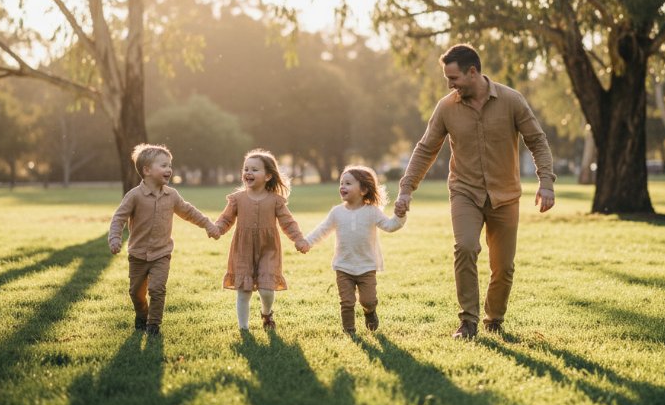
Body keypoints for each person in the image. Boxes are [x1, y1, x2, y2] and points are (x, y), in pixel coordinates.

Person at [394, 44, 556, 339]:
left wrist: (546, 182)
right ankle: (468, 321)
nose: (449, 84)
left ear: (472, 72)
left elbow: (537, 140)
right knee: (465, 247)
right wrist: (406, 188)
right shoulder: (446, 107)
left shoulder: (512, 101)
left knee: (503, 267)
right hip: (464, 191)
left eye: (453, 78)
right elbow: (426, 148)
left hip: (505, 195)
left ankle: (493, 318)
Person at [108, 144, 218, 336]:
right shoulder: (134, 196)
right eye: (163, 165)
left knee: (157, 289)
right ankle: (142, 315)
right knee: (136, 293)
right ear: (147, 170)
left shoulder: (172, 195)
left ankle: (153, 325)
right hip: (138, 255)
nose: (169, 169)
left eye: (170, 165)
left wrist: (208, 224)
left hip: (162, 254)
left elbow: (189, 212)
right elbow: (119, 218)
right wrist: (115, 238)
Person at [300, 165, 407, 334]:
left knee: (369, 300)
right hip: (343, 266)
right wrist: (307, 242)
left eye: (348, 183)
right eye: (341, 183)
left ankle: (369, 312)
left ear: (364, 189)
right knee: (347, 302)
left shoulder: (372, 211)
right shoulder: (336, 212)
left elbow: (390, 225)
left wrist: (400, 215)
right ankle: (349, 331)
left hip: (367, 266)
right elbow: (322, 230)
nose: (342, 186)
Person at [211, 149, 308, 331]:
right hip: (243, 249)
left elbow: (288, 223)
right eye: (246, 169)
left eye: (255, 169)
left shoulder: (275, 200)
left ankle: (267, 313)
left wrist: (299, 239)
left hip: (268, 249)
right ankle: (244, 329)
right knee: (244, 291)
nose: (248, 172)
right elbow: (225, 219)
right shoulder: (237, 199)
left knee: (266, 289)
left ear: (268, 175)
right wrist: (217, 229)